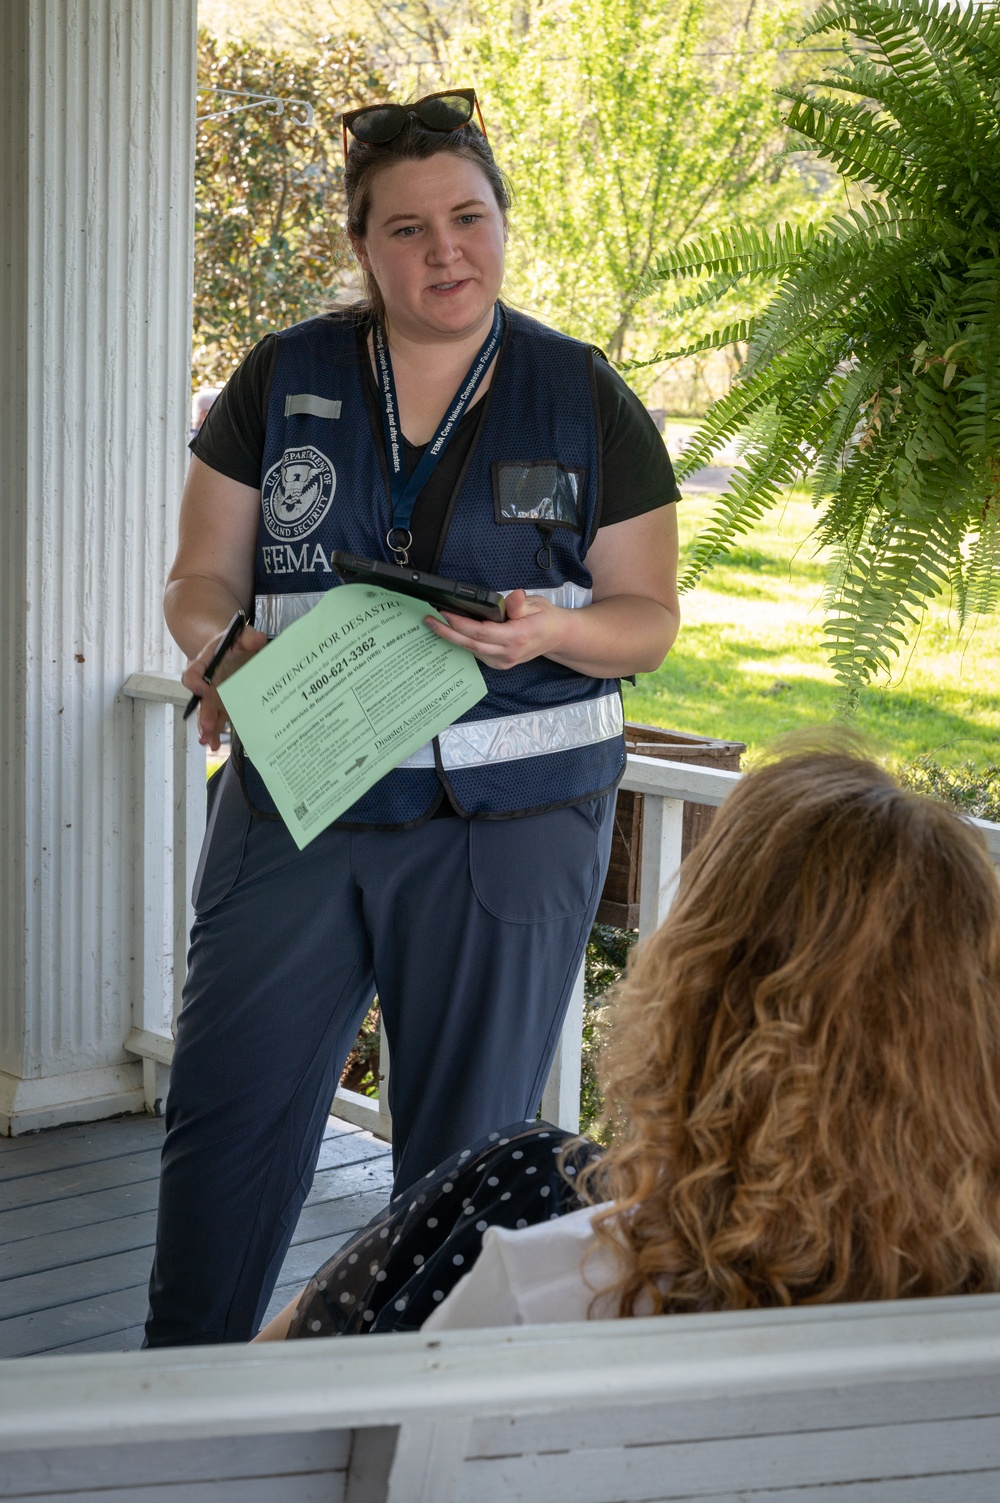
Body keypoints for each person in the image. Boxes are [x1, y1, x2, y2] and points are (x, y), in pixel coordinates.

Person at [144, 88, 681, 1347]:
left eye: (469, 217)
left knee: (465, 1169)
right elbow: (198, 579)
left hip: (511, 827)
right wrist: (223, 646)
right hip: (300, 799)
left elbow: (646, 617)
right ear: (362, 244)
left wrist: (549, 631)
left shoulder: (584, 395)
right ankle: (179, 1418)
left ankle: (424, 1443)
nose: (445, 250)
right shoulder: (283, 375)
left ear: (501, 222)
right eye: (405, 228)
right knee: (226, 1120)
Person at [257, 747, 1000, 1339]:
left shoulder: (550, 1278)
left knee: (526, 1169)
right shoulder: (967, 1332)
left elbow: (281, 1416)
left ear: (697, 999)